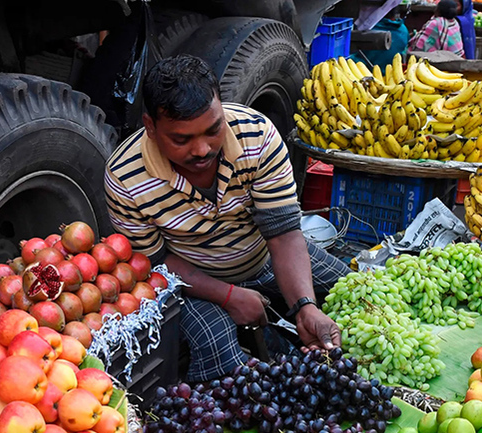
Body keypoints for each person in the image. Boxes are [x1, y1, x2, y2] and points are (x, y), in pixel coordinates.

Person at [104, 55, 350, 382]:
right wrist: (229, 296)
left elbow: (284, 234)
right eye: (182, 139)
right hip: (192, 283)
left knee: (352, 289)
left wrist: (305, 306)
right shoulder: (125, 177)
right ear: (150, 127)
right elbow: (156, 263)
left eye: (213, 129)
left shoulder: (257, 136)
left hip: (262, 257)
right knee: (224, 360)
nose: (203, 149)